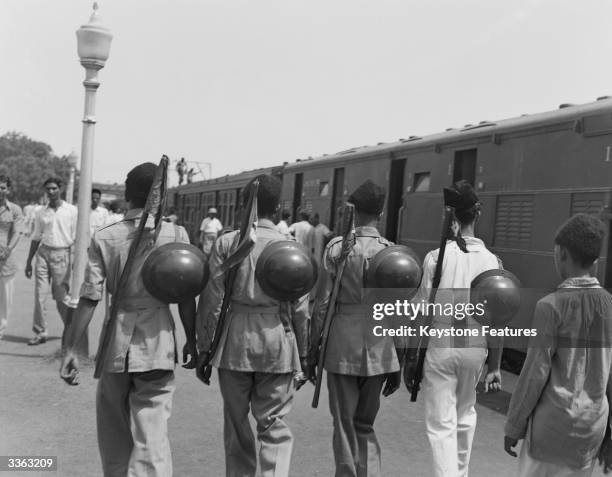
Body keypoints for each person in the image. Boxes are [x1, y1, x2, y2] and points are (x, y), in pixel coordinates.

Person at [59, 162, 197, 477]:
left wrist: (71, 350)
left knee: (113, 431)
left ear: (127, 195)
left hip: (115, 345)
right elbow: (187, 294)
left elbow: (90, 296)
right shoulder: (176, 233)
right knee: (153, 434)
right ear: (161, 197)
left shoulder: (106, 236)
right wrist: (193, 339)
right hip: (158, 345)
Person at [196, 174, 310, 477]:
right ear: (278, 208)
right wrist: (306, 355)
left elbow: (213, 300)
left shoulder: (228, 242)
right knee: (274, 426)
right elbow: (301, 309)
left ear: (246, 205)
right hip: (278, 340)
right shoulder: (291, 246)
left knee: (236, 425)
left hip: (234, 342)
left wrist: (204, 348)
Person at [504, 213, 612, 477]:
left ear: (562, 253)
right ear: (595, 262)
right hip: (590, 432)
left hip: (551, 429)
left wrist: (513, 427)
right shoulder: (609, 306)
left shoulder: (550, 306)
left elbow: (534, 374)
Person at [409, 180, 503, 477]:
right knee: (465, 416)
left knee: (441, 426)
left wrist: (410, 354)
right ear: (478, 215)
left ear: (448, 218)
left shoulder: (435, 258)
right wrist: (495, 366)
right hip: (475, 347)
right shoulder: (493, 262)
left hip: (442, 344)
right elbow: (498, 319)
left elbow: (420, 311)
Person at [309, 180, 403, 477]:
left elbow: (323, 304)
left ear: (352, 210)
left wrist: (313, 349)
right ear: (382, 212)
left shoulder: (338, 249)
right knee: (365, 424)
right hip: (380, 346)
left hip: (342, 345)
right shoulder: (392, 253)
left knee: (345, 425)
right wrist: (397, 359)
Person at [25, 177, 77, 345]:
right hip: (43, 253)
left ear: (60, 189)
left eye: (54, 188)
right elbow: (36, 236)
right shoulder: (40, 212)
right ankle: (40, 332)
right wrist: (28, 261)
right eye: (48, 189)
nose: (51, 192)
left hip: (62, 254)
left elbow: (77, 238)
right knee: (40, 295)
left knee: (62, 297)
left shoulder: (71, 211)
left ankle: (70, 331)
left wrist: (75, 260)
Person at [0, 175, 23, 339]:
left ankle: (1, 328)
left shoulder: (14, 209)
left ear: (8, 190)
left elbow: (17, 232)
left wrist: (7, 250)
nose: (0, 190)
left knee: (5, 297)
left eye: (2, 187)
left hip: (5, 259)